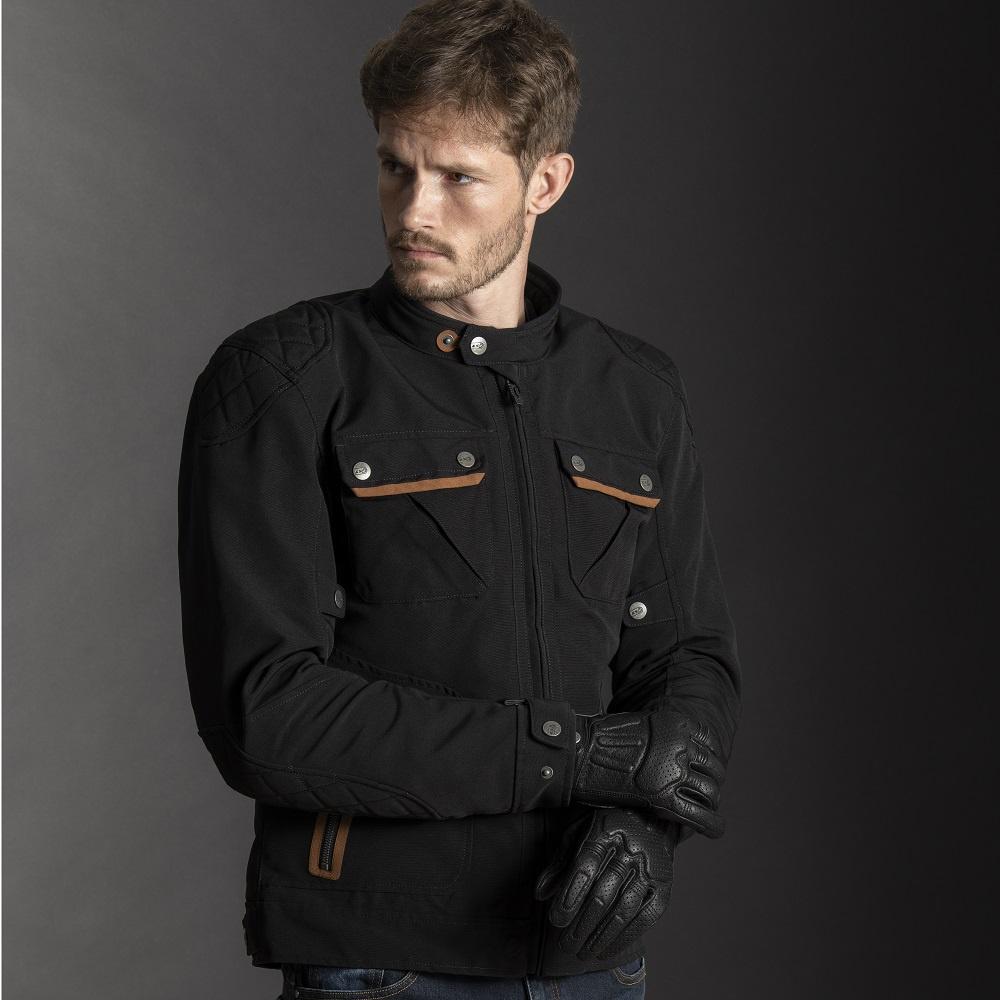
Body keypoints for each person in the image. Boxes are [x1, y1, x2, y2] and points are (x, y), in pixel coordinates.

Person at [176, 1, 741, 997]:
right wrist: (580, 758)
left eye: (458, 178)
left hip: (592, 963)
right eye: (395, 166)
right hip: (379, 960)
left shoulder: (635, 390)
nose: (414, 211)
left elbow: (684, 657)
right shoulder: (283, 377)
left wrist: (643, 824)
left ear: (546, 182)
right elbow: (265, 709)